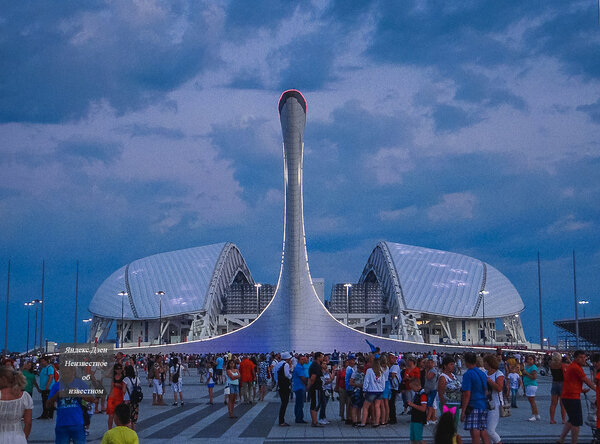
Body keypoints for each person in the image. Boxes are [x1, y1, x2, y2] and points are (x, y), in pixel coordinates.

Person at [47, 365, 94, 444]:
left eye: (68, 373)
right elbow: (47, 405)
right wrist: (56, 395)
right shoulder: (56, 386)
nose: (65, 375)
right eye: (63, 373)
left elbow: (92, 399)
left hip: (77, 423)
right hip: (62, 424)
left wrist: (78, 394)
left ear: (73, 372)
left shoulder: (80, 383)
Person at [558, 350, 596, 444]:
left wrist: (581, 390)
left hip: (568, 396)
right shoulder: (576, 367)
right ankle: (574, 442)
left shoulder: (573, 366)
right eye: (581, 357)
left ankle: (561, 439)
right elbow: (587, 381)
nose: (584, 359)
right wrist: (596, 389)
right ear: (575, 358)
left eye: (584, 357)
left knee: (571, 420)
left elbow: (571, 382)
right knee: (576, 422)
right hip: (572, 397)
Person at [460, 352, 490, 444]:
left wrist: (463, 410)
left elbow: (467, 393)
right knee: (483, 429)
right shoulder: (482, 373)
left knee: (474, 431)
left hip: (473, 405)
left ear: (466, 362)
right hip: (483, 404)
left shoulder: (468, 374)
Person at [0, 367, 32, 443]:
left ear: (3, 379)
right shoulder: (25, 396)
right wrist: (24, 437)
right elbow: (28, 423)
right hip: (18, 437)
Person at [359, 356, 384, 427]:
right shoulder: (381, 371)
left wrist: (364, 390)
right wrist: (382, 389)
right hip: (379, 391)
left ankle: (363, 422)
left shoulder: (369, 371)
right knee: (377, 406)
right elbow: (383, 383)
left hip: (371, 391)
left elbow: (366, 381)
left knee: (365, 407)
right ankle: (376, 422)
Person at [484, 354, 504, 444]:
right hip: (486, 403)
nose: (483, 364)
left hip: (495, 404)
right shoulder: (485, 373)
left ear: (489, 363)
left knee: (490, 430)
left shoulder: (498, 374)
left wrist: (489, 381)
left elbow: (499, 388)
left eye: (485, 362)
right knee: (486, 430)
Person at [438, 356, 462, 429]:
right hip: (448, 405)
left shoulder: (453, 376)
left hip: (456, 404)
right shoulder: (443, 377)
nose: (453, 366)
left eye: (453, 364)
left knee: (454, 426)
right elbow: (440, 393)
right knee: (448, 427)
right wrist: (444, 405)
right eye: (451, 364)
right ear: (445, 366)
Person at [407, 378, 428, 444]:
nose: (412, 389)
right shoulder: (418, 393)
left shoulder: (423, 395)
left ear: (417, 386)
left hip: (419, 419)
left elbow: (423, 408)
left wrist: (412, 405)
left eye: (412, 387)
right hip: (414, 418)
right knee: (413, 438)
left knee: (418, 439)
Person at [307, 352, 324, 427]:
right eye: (321, 357)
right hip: (316, 387)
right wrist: (310, 386)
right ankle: (314, 422)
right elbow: (313, 377)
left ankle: (315, 420)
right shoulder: (315, 366)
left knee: (314, 403)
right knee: (315, 404)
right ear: (318, 357)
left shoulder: (315, 365)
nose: (322, 358)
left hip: (316, 387)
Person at [549, 352, 567, 424]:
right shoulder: (562, 365)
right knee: (562, 404)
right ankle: (563, 420)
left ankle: (552, 419)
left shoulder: (551, 365)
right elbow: (571, 366)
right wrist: (567, 359)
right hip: (562, 383)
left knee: (553, 403)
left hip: (554, 383)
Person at [521, 355, 539, 421]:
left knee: (532, 401)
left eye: (531, 359)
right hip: (527, 384)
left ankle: (533, 415)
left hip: (531, 385)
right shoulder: (527, 366)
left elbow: (534, 377)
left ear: (534, 360)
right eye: (528, 359)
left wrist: (526, 373)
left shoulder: (533, 367)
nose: (529, 360)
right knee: (532, 401)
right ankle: (536, 414)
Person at [122, 365, 141, 431]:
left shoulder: (125, 379)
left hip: (127, 399)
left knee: (128, 416)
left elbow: (123, 390)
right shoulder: (137, 378)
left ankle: (128, 431)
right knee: (134, 417)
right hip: (135, 400)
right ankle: (133, 430)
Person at [107, 364, 125, 430]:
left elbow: (124, 387)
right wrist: (112, 366)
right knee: (111, 415)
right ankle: (110, 429)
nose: (119, 370)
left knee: (118, 415)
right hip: (112, 397)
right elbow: (107, 375)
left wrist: (118, 385)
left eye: (120, 369)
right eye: (117, 369)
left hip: (119, 397)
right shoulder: (113, 376)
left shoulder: (123, 377)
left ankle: (118, 428)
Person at [277, 352, 293, 426]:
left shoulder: (279, 363)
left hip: (281, 385)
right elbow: (287, 375)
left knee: (283, 403)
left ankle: (281, 420)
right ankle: (281, 421)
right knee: (284, 403)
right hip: (285, 386)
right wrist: (291, 376)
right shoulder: (285, 364)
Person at [292, 354, 308, 423]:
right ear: (298, 360)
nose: (303, 361)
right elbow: (303, 378)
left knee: (298, 403)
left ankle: (298, 417)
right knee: (300, 403)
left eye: (303, 359)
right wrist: (308, 383)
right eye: (302, 359)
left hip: (298, 387)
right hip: (299, 387)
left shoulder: (300, 367)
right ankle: (299, 418)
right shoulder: (299, 367)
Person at [350, 357, 365, 426]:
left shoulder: (363, 374)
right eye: (361, 368)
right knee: (355, 406)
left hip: (361, 391)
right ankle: (354, 420)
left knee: (360, 406)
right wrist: (358, 385)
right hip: (356, 390)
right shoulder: (354, 373)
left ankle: (359, 419)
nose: (362, 370)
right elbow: (351, 382)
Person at [319, 355, 333, 425]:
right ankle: (321, 418)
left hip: (328, 388)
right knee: (323, 404)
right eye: (323, 363)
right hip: (323, 389)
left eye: (325, 363)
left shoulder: (327, 371)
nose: (325, 365)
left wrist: (328, 372)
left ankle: (324, 417)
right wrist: (328, 381)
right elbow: (323, 381)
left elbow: (332, 378)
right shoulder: (320, 372)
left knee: (325, 404)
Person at [425, 357, 439, 425]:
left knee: (429, 404)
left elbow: (428, 377)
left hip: (432, 390)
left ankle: (427, 419)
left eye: (431, 362)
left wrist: (426, 371)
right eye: (428, 362)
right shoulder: (430, 370)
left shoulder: (433, 370)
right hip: (429, 389)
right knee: (432, 404)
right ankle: (432, 418)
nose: (429, 364)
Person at [344, 354, 357, 424]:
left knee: (350, 404)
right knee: (351, 404)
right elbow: (352, 379)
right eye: (352, 360)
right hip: (350, 388)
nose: (354, 361)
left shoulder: (350, 368)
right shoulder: (350, 369)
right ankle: (351, 418)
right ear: (349, 361)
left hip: (349, 388)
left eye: (354, 360)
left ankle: (349, 417)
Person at [389, 355, 401, 424]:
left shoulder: (395, 366)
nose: (390, 359)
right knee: (390, 403)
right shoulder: (391, 366)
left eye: (391, 358)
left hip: (393, 387)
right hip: (392, 387)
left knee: (391, 403)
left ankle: (393, 418)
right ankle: (391, 417)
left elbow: (393, 375)